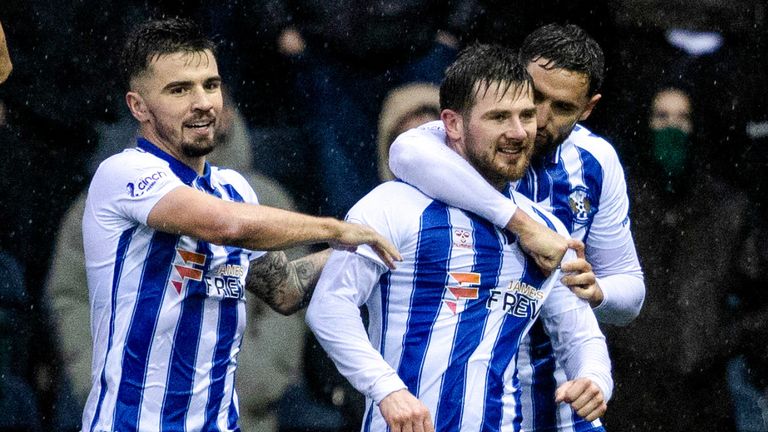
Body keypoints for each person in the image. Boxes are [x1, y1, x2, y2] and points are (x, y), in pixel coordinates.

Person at [80, 18, 401, 432]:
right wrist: (335, 229)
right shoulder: (121, 173)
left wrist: (362, 248)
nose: (203, 102)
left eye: (210, 85)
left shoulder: (234, 188)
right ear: (138, 106)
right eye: (179, 89)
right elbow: (224, 226)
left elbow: (284, 290)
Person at [306, 43, 612, 432]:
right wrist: (387, 389)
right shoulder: (393, 205)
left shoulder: (546, 232)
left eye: (526, 116)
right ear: (452, 124)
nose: (518, 132)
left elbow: (581, 335)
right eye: (499, 117)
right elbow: (329, 309)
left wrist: (595, 379)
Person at [388, 24, 644, 431]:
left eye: (561, 108)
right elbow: (403, 152)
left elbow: (631, 290)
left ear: (588, 108)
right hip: (468, 384)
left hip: (562, 387)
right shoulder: (468, 140)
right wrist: (524, 226)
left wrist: (598, 290)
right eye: (534, 96)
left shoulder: (597, 161)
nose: (537, 121)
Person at [604, 85, 768, 431]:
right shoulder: (616, 203)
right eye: (661, 116)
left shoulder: (727, 208)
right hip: (629, 389)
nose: (672, 128)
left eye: (683, 118)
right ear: (644, 123)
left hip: (703, 395)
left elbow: (759, 296)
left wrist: (722, 339)